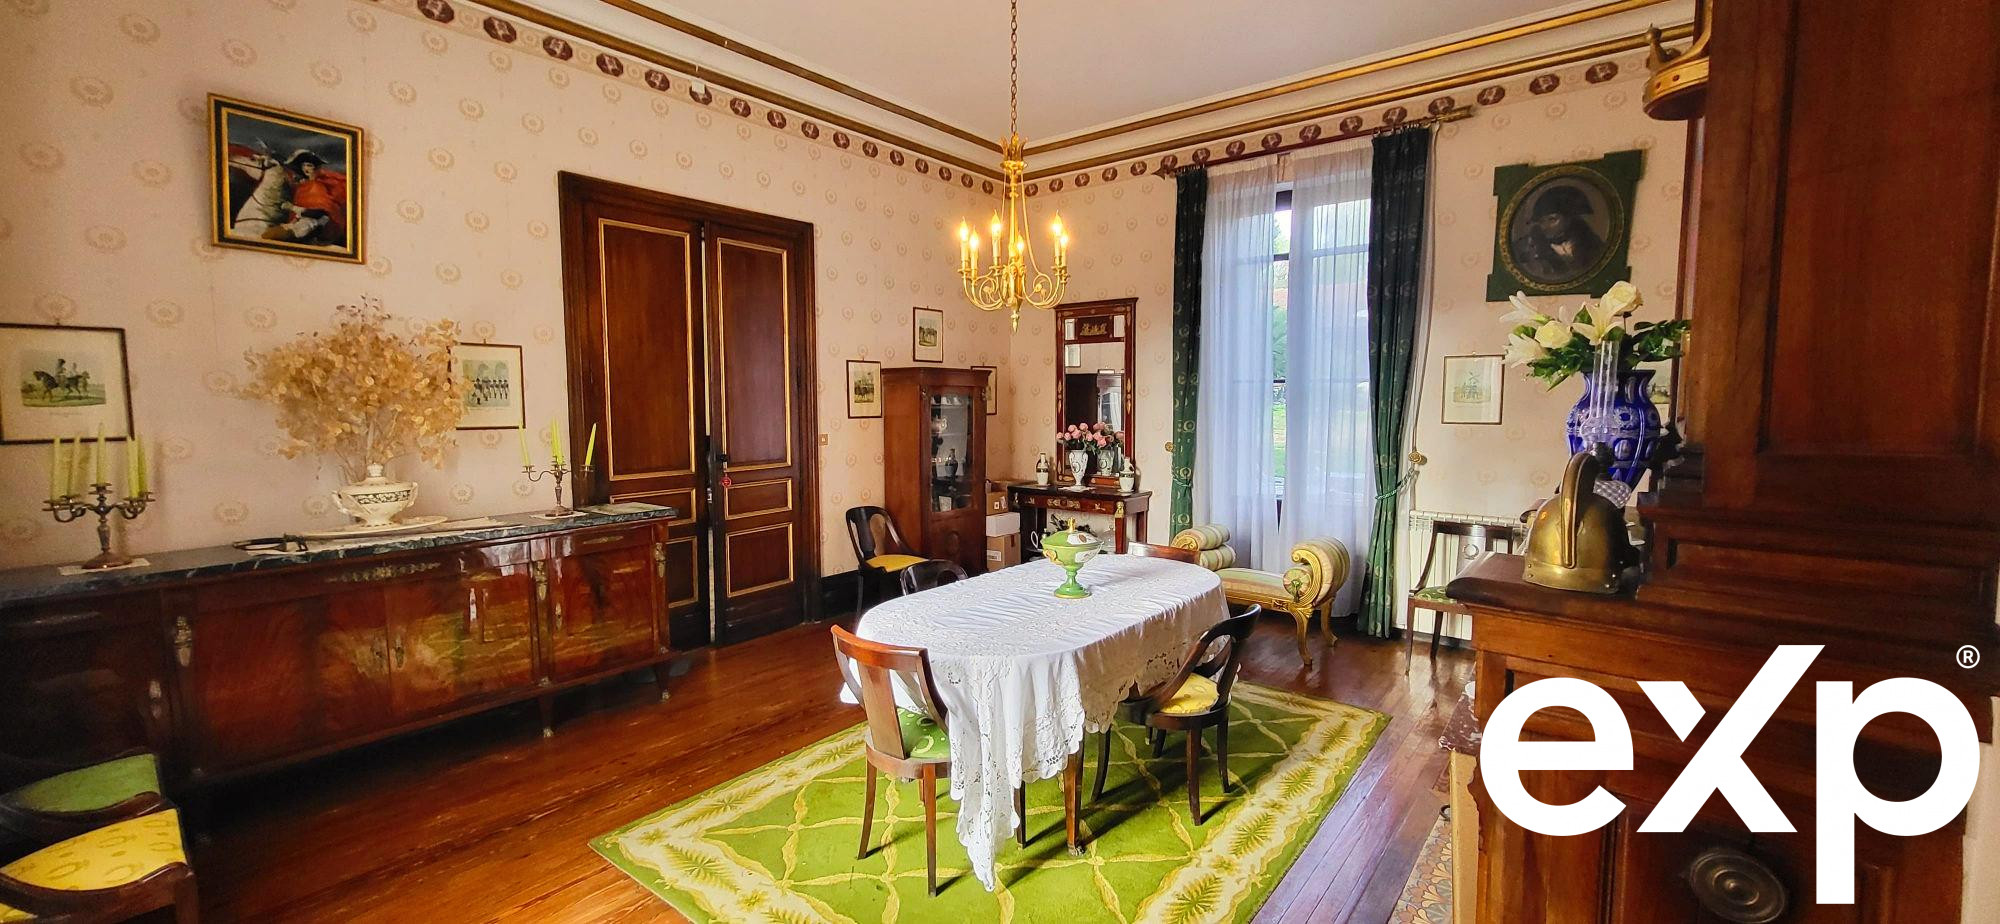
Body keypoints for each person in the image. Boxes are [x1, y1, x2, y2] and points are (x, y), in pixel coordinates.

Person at [1512, 183, 1606, 284]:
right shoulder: (1528, 245)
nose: (1545, 226)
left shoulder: (1591, 243)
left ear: (1568, 219)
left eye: (1552, 219)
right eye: (1542, 221)